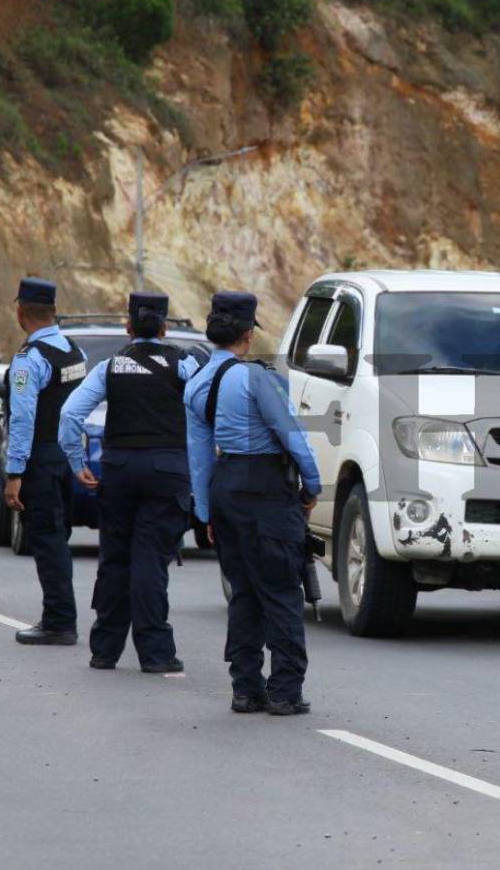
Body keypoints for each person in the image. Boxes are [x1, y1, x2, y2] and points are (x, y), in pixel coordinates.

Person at [185, 292, 321, 716]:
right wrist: (312, 487)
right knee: (281, 591)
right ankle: (284, 691)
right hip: (266, 489)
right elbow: (291, 435)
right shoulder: (256, 379)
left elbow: (199, 453)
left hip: (226, 490)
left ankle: (245, 688)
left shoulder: (196, 384)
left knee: (243, 592)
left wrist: (206, 512)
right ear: (248, 334)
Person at [57, 293, 199, 673]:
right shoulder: (183, 364)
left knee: (115, 558)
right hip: (168, 471)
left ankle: (104, 650)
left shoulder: (110, 366)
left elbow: (71, 414)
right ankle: (156, 654)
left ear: (128, 326)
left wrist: (77, 462)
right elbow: (205, 412)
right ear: (166, 328)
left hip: (118, 470)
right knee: (151, 560)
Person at [4, 278, 89, 645]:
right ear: (54, 312)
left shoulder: (29, 360)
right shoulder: (75, 352)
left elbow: (22, 418)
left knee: (47, 539)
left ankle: (59, 621)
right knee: (59, 536)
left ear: (21, 313)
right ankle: (60, 616)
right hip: (67, 457)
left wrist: (14, 472)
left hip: (40, 457)